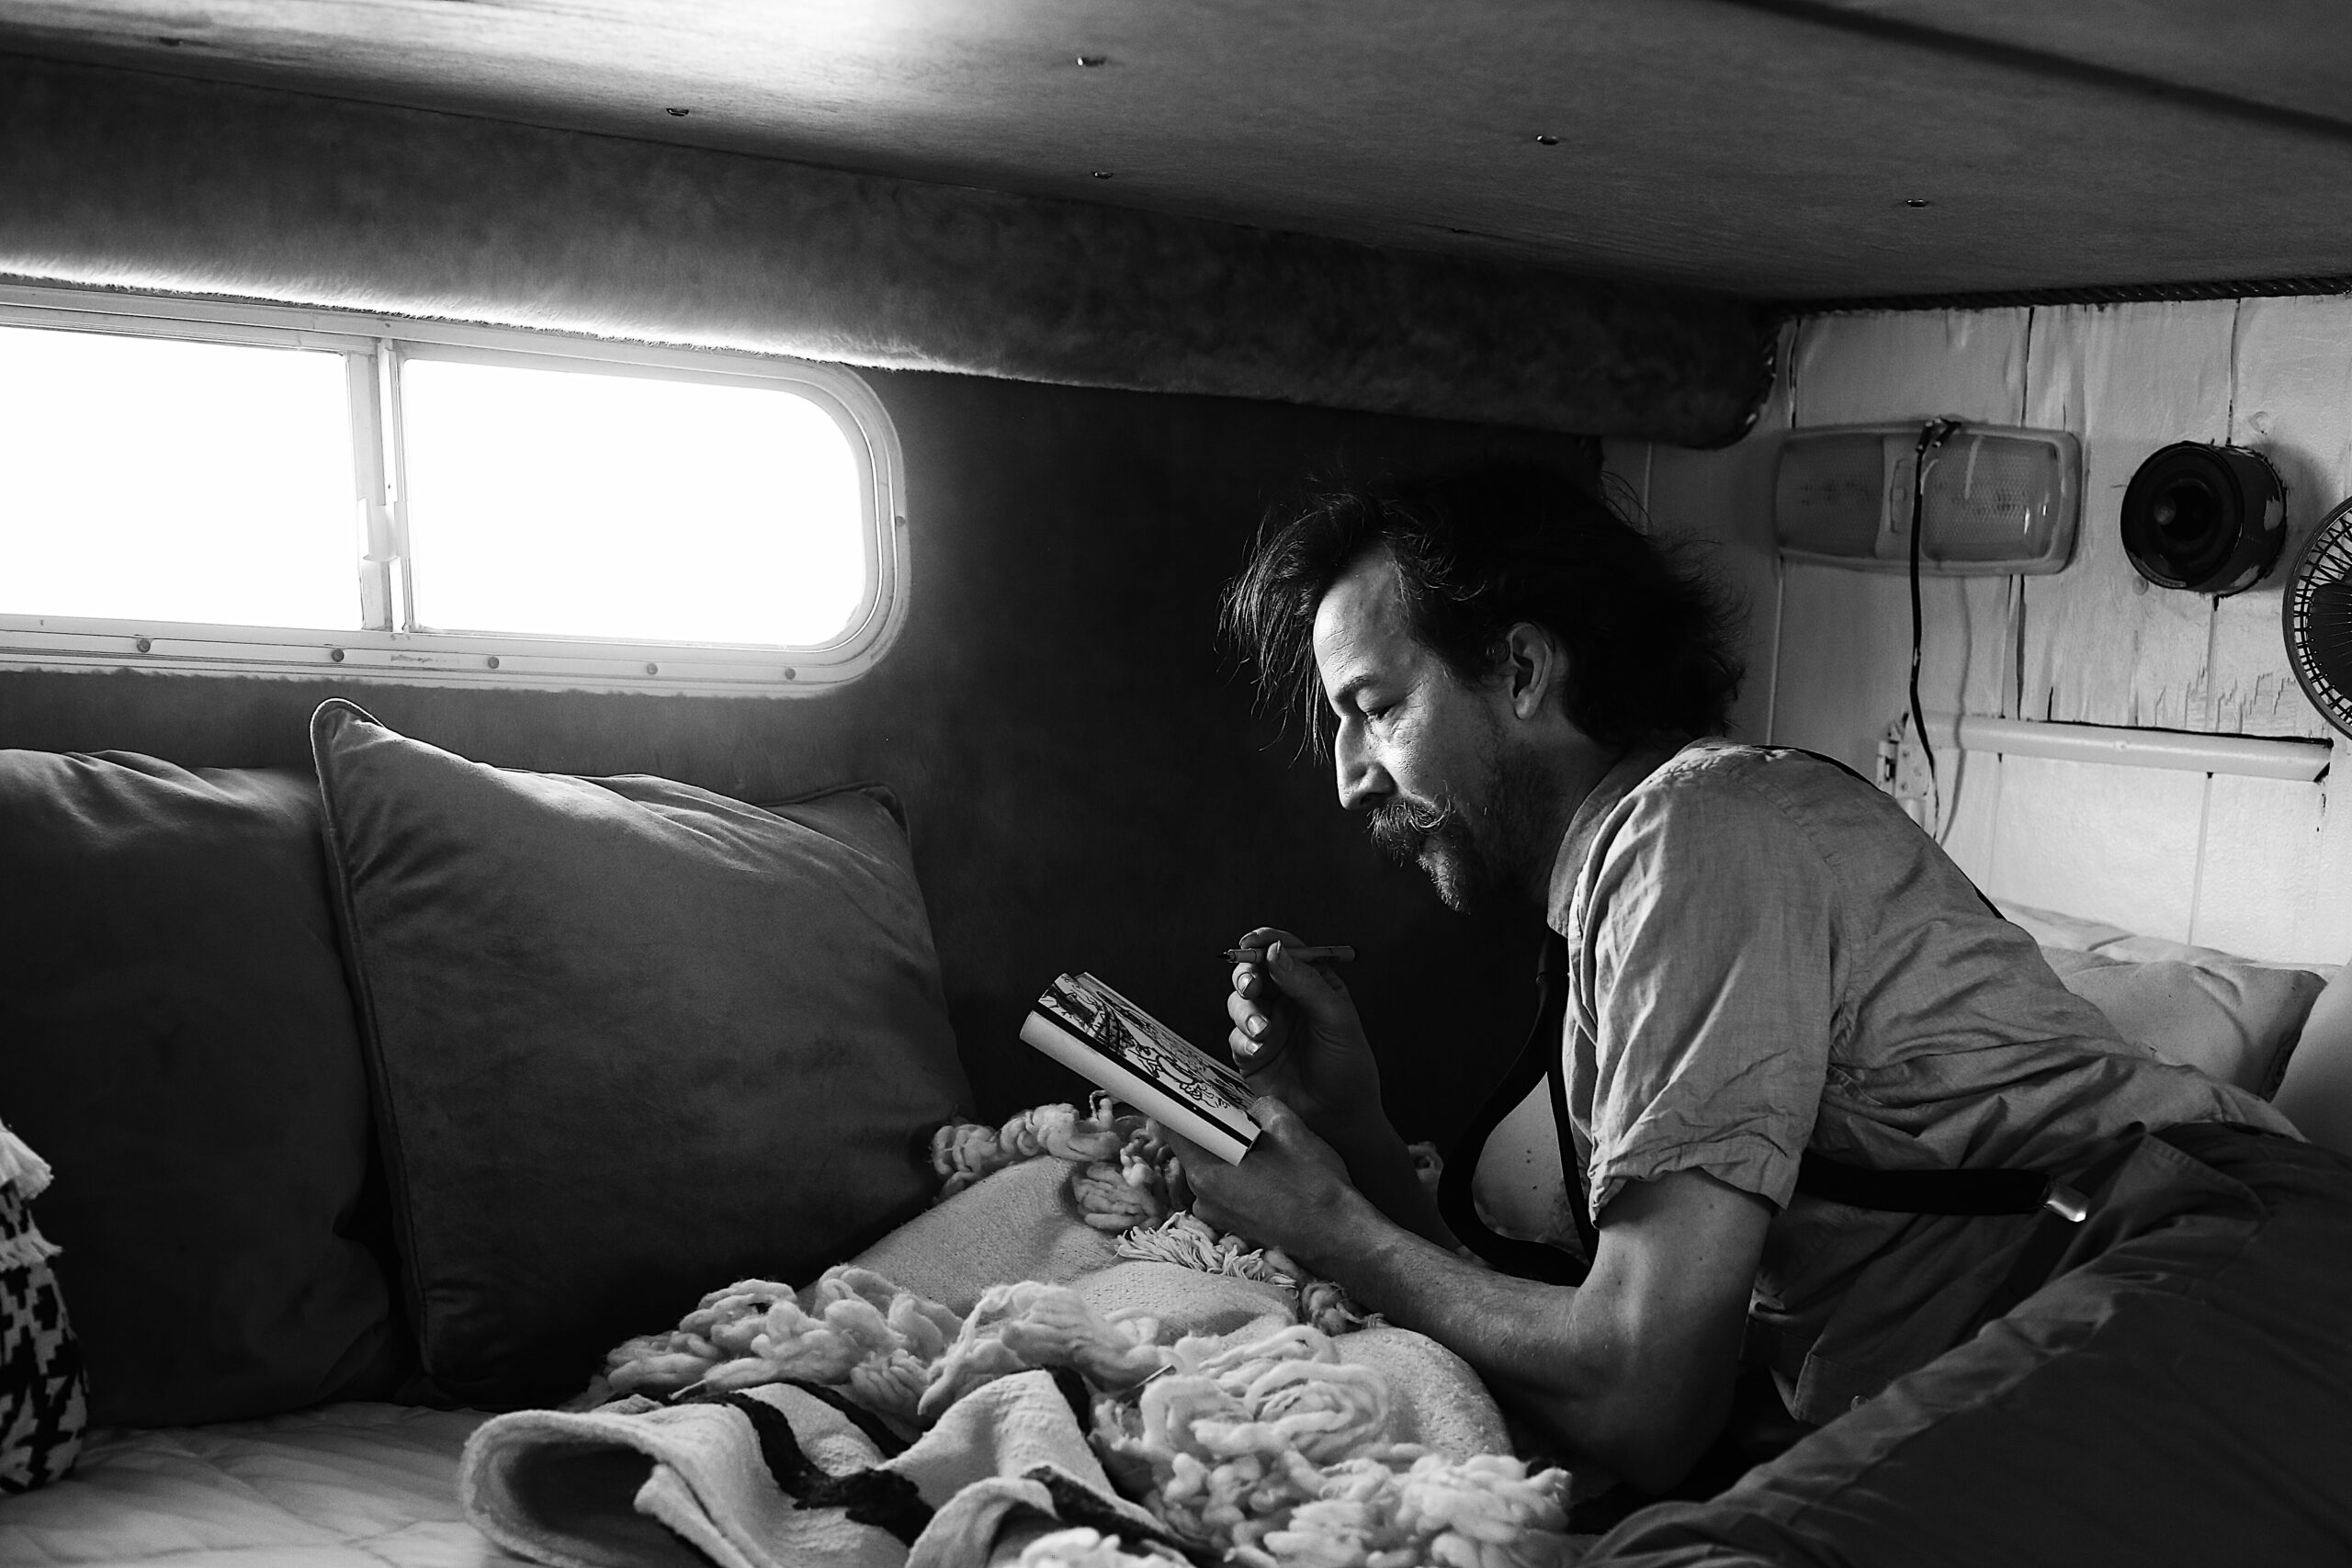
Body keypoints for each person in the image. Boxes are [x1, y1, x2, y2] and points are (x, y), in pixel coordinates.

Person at [1161, 464, 2352, 1565]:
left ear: (1523, 672)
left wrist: (1327, 1223)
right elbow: (1596, 1363)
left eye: (1374, 707)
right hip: (2147, 1296)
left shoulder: (1703, 832)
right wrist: (1357, 1133)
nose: (1349, 776)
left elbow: (1640, 1394)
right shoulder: (1626, 897)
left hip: (2225, 1266)